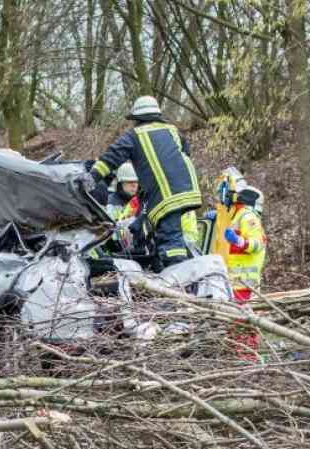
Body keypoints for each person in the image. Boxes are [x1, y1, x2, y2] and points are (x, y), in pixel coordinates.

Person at [85, 95, 203, 268]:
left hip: (166, 194)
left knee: (170, 239)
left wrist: (90, 179)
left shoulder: (134, 136)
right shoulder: (173, 130)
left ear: (137, 119)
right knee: (167, 230)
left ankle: (179, 275)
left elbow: (110, 159)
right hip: (188, 188)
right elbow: (183, 154)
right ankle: (169, 268)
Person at [213, 185, 267, 361]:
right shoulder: (238, 216)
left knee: (242, 321)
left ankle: (246, 358)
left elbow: (257, 244)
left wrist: (240, 242)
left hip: (244, 283)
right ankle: (237, 356)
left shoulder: (248, 216)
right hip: (236, 282)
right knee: (235, 321)